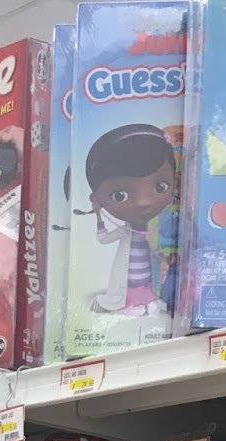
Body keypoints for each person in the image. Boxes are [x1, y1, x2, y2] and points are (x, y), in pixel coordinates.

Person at [78, 124, 178, 317]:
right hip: (129, 285)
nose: (143, 202)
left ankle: (147, 299)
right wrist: (98, 216)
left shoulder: (158, 227)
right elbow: (103, 239)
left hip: (150, 282)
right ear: (96, 198)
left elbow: (159, 250)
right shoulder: (125, 231)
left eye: (160, 186)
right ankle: (133, 302)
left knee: (151, 297)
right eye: (119, 195)